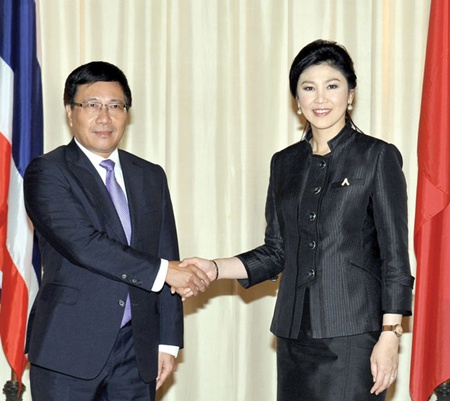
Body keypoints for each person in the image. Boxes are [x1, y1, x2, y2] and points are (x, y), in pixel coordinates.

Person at [180, 40, 414, 400]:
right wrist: (213, 268)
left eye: (332, 86)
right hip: (293, 333)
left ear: (350, 94)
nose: (320, 98)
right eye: (309, 88)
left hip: (353, 335)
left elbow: (395, 255)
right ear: (297, 99)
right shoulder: (284, 163)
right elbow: (277, 252)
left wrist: (390, 334)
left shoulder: (376, 157)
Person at [23, 61, 210, 401]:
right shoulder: (47, 172)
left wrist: (167, 341)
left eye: (115, 106)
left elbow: (167, 251)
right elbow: (84, 244)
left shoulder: (150, 176)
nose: (104, 117)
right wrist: (168, 272)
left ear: (127, 113)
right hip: (67, 350)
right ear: (70, 112)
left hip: (136, 352)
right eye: (92, 105)